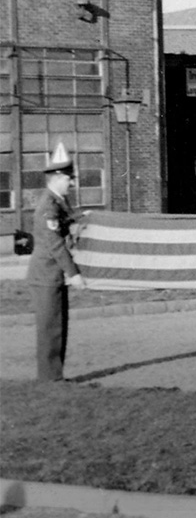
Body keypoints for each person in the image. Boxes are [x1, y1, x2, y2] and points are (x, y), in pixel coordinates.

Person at [25, 149, 86, 381]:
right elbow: (56, 245)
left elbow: (68, 221)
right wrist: (74, 274)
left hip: (51, 276)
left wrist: (83, 217)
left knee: (59, 327)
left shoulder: (58, 202)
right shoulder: (48, 206)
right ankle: (50, 379)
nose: (71, 183)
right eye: (69, 179)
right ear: (58, 178)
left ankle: (55, 376)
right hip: (45, 276)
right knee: (50, 329)